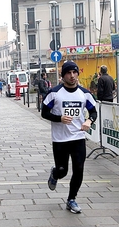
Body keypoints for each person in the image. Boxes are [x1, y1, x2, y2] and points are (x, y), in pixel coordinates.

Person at [41, 61, 97, 214]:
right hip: (60, 139)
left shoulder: (84, 93)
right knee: (63, 170)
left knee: (79, 170)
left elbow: (94, 111)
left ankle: (71, 199)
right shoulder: (55, 93)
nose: (72, 76)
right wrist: (59, 118)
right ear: (63, 75)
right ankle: (55, 174)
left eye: (74, 72)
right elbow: (44, 112)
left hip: (78, 137)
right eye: (68, 73)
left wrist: (88, 120)